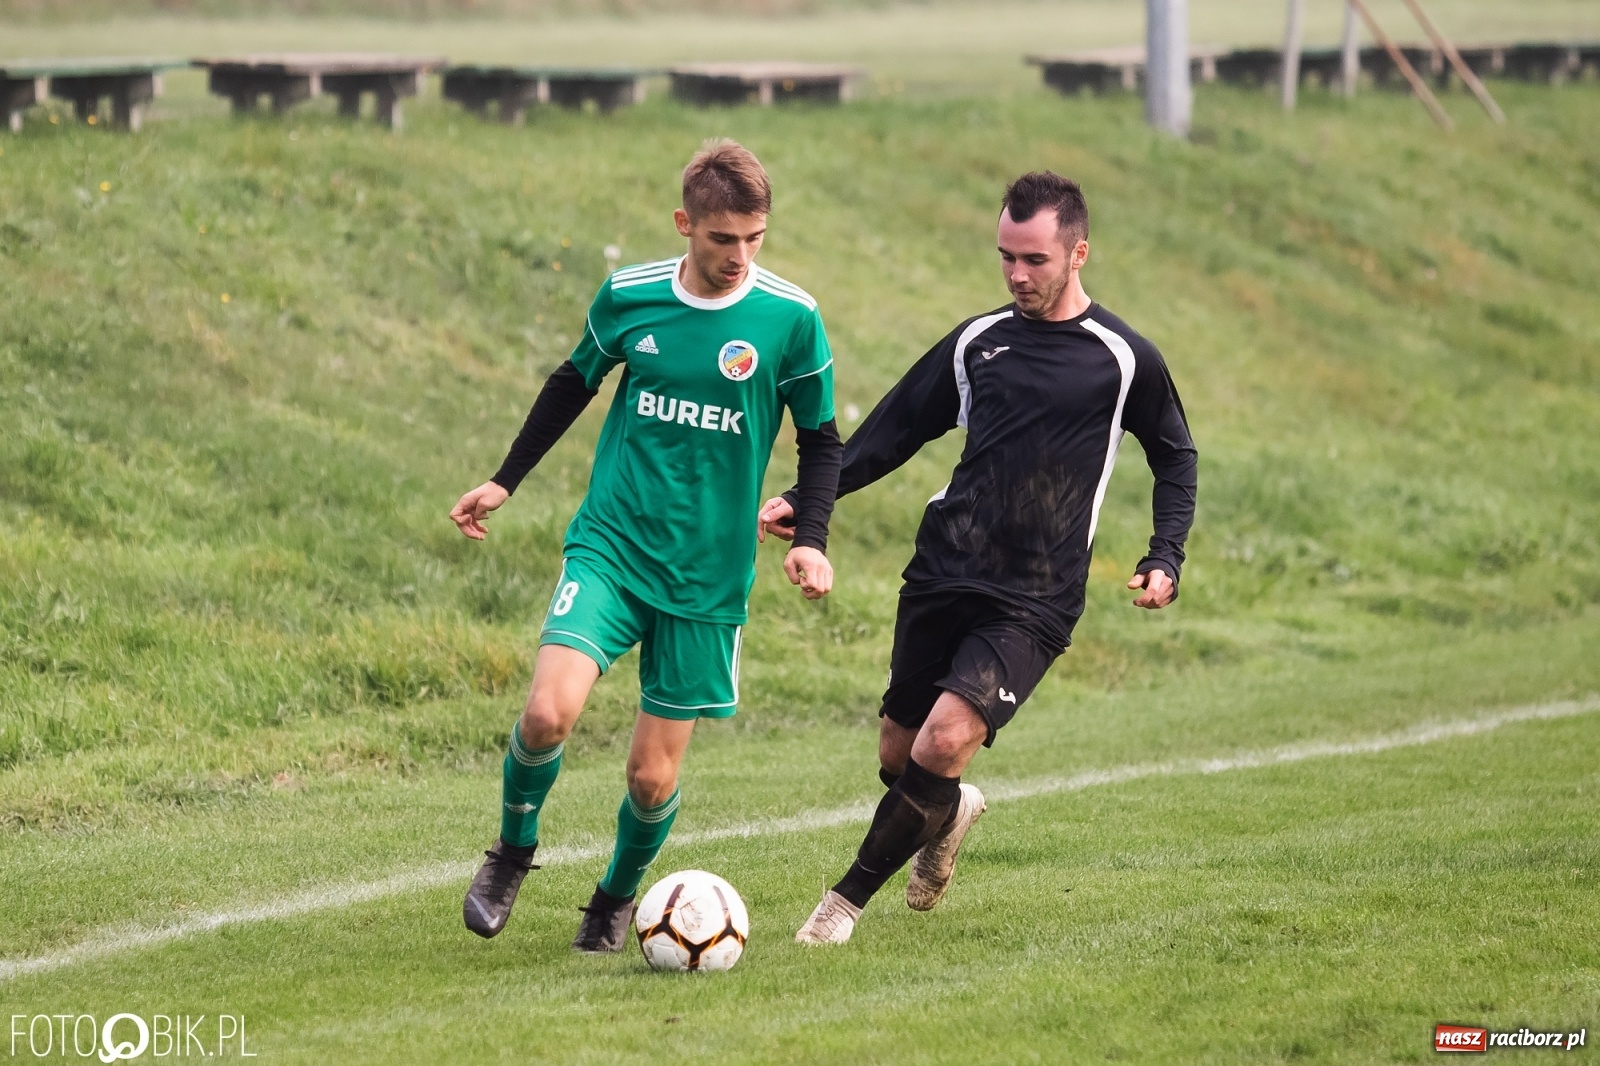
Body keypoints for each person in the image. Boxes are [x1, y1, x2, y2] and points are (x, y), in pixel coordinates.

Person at [760, 171, 1198, 944]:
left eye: (1034, 259)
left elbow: (1176, 456)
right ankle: (952, 809)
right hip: (943, 569)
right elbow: (893, 431)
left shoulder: (1124, 358)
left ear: (1078, 252)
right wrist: (810, 499)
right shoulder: (978, 341)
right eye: (1006, 258)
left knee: (944, 741)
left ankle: (841, 906)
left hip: (1036, 594)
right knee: (902, 757)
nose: (1018, 275)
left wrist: (1166, 553)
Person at [451, 138, 842, 953]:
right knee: (547, 714)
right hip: (613, 548)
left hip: (708, 577)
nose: (739, 257)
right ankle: (511, 852)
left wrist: (810, 538)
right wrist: (503, 480)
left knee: (650, 777)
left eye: (754, 238)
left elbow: (823, 440)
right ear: (684, 225)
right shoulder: (630, 296)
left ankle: (616, 899)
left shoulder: (790, 318)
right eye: (721, 238)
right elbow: (571, 383)